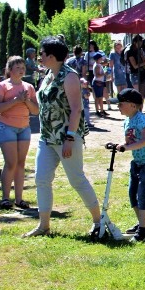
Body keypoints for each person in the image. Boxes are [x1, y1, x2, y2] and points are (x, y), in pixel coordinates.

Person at [24, 37, 101, 238]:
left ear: (51, 56)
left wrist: (69, 138)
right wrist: (26, 102)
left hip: (66, 137)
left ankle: (98, 222)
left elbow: (77, 109)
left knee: (76, 180)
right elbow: (40, 107)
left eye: (42, 54)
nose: (39, 57)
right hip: (47, 137)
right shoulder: (48, 75)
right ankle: (44, 226)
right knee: (41, 179)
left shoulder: (70, 77)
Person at [0, 56, 38, 210]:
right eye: (17, 67)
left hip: (24, 127)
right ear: (10, 70)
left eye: (22, 67)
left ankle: (19, 199)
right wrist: (16, 101)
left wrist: (25, 101)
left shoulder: (29, 87)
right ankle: (5, 198)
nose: (21, 70)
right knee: (11, 162)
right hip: (7, 127)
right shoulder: (2, 86)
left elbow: (36, 110)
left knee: (21, 163)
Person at [117, 87, 145, 241]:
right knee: (132, 194)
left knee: (142, 194)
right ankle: (142, 224)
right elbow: (129, 141)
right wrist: (120, 145)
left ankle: (142, 230)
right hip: (137, 163)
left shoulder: (142, 119)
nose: (119, 106)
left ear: (133, 105)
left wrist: (127, 147)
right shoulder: (127, 121)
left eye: (121, 103)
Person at [91, 52, 107, 117]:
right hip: (97, 82)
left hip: (100, 82)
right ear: (97, 59)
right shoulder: (97, 65)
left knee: (100, 97)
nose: (101, 59)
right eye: (100, 58)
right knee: (98, 98)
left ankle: (102, 110)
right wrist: (104, 73)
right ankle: (97, 111)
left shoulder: (99, 64)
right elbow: (97, 75)